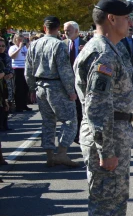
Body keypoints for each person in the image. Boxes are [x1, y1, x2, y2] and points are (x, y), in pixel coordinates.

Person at [75, 0, 133, 216]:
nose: (132, 22)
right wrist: (105, 149)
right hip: (107, 136)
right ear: (112, 19)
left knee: (115, 197)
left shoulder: (111, 48)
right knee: (106, 200)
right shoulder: (102, 53)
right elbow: (97, 106)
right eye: (128, 17)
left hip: (115, 131)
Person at [24, 16, 79, 167]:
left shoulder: (34, 44)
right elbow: (65, 70)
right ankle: (61, 153)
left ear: (44, 28)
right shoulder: (59, 45)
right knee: (70, 120)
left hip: (40, 86)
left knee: (48, 122)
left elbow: (28, 70)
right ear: (58, 28)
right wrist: (71, 90)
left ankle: (49, 156)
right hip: (57, 86)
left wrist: (31, 88)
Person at [65, 21, 85, 141]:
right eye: (65, 31)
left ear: (77, 31)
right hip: (66, 82)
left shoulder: (86, 44)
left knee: (80, 109)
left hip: (80, 81)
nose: (66, 33)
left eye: (69, 30)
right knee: (68, 110)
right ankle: (70, 133)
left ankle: (79, 133)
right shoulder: (62, 44)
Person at [9, 34, 31, 112]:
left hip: (25, 68)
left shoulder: (25, 48)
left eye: (22, 40)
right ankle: (18, 106)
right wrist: (19, 48)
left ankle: (24, 104)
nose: (21, 41)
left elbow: (29, 56)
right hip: (17, 69)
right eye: (19, 39)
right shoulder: (13, 47)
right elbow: (12, 56)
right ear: (15, 39)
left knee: (25, 87)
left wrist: (27, 46)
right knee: (18, 88)